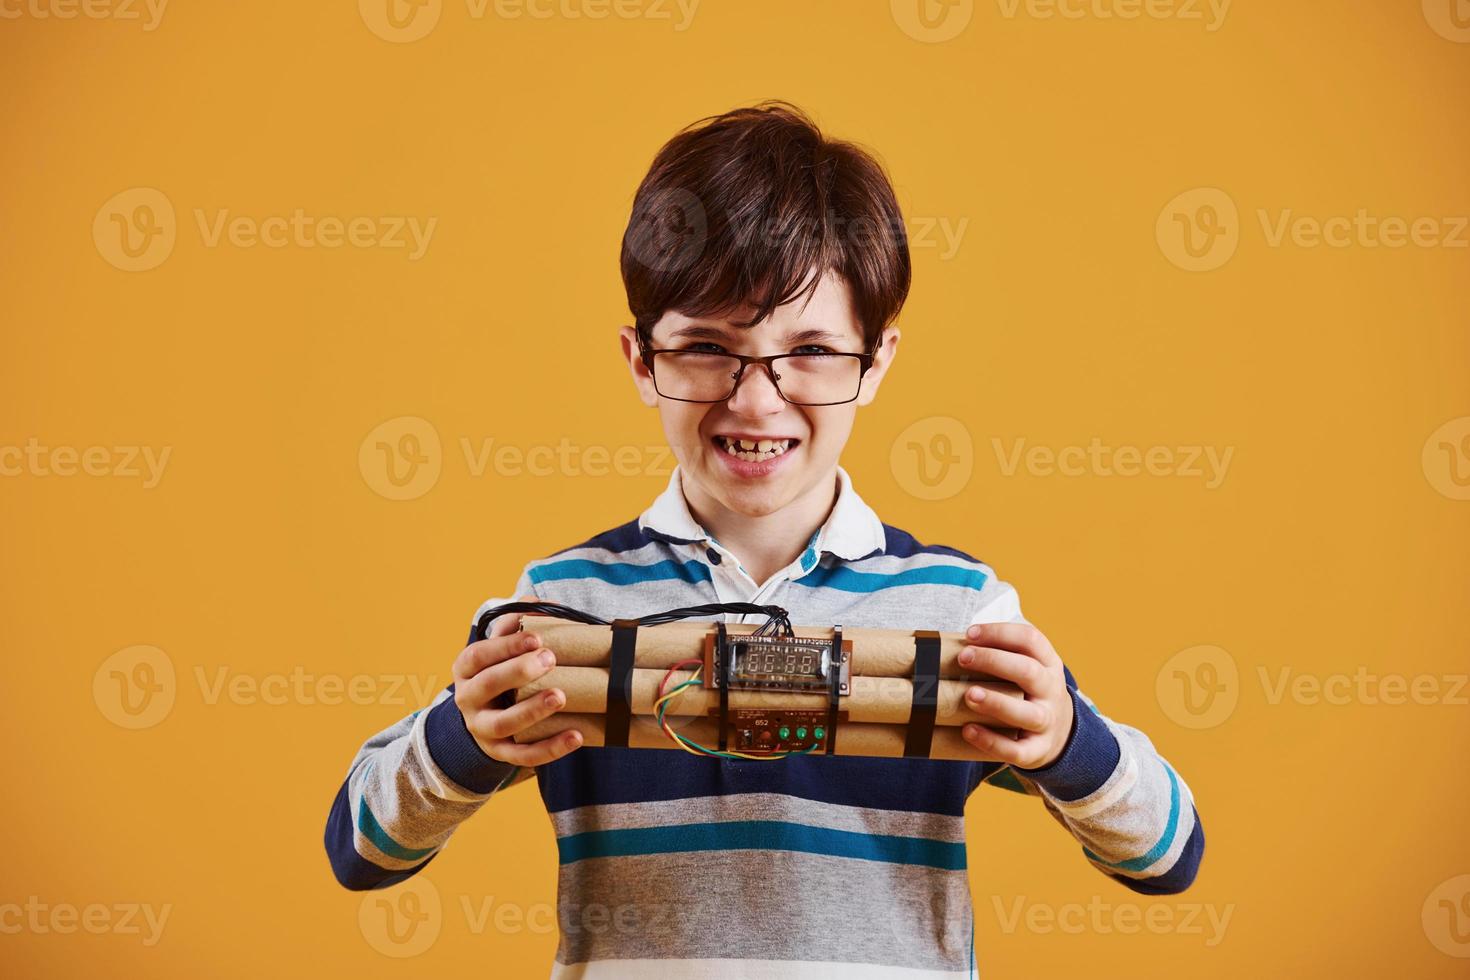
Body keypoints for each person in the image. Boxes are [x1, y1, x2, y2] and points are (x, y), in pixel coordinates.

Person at [324, 100, 1204, 978]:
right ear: (642, 361)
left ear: (877, 363)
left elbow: (1166, 854)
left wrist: (1064, 740)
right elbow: (360, 851)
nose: (756, 400)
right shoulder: (567, 606)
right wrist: (461, 739)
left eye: (812, 350)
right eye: (708, 346)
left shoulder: (954, 610)